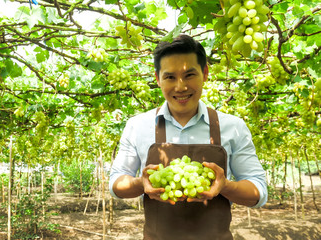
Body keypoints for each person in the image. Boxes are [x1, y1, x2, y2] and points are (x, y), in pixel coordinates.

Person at [109, 34, 267, 240]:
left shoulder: (233, 126)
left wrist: (226, 186)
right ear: (158, 79)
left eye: (190, 75)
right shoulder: (137, 126)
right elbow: (116, 183)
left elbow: (258, 190)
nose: (181, 86)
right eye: (170, 77)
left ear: (206, 74)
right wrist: (141, 184)